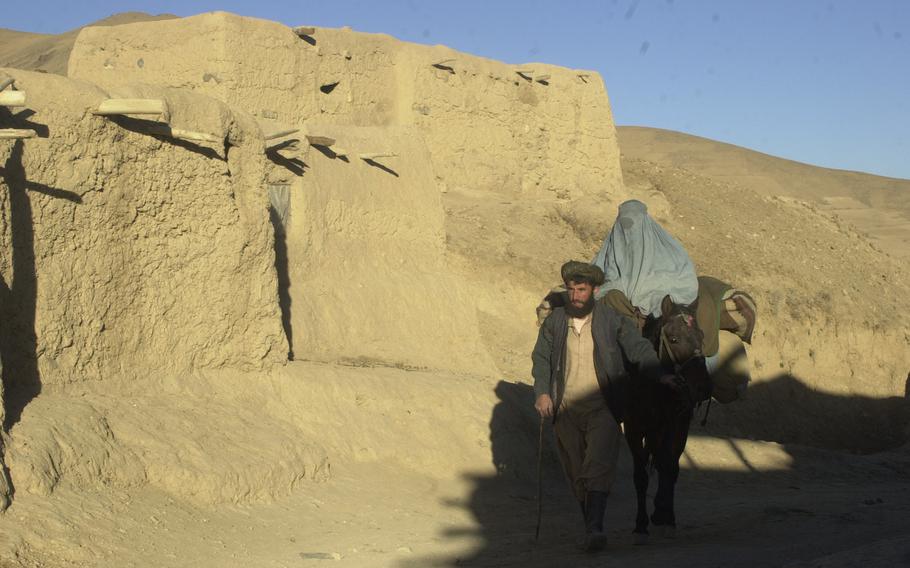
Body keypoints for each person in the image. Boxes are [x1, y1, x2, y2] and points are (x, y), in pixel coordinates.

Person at [531, 260, 676, 552]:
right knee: (575, 471)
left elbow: (638, 349)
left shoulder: (612, 320)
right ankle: (590, 526)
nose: (575, 296)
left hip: (603, 407)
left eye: (581, 290)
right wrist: (542, 393)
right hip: (566, 407)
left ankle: (595, 529)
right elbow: (542, 359)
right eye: (571, 289)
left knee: (597, 465)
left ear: (595, 290)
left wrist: (661, 375)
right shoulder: (556, 322)